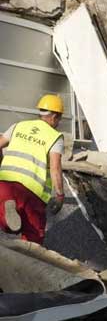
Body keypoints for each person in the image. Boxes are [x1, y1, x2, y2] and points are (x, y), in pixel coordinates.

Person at [0, 94, 65, 244]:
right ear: (54, 116)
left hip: (5, 184)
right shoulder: (55, 136)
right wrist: (60, 195)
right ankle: (29, 261)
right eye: (60, 118)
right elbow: (55, 167)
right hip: (32, 192)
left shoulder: (18, 126)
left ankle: (7, 209)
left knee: (6, 223)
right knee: (34, 233)